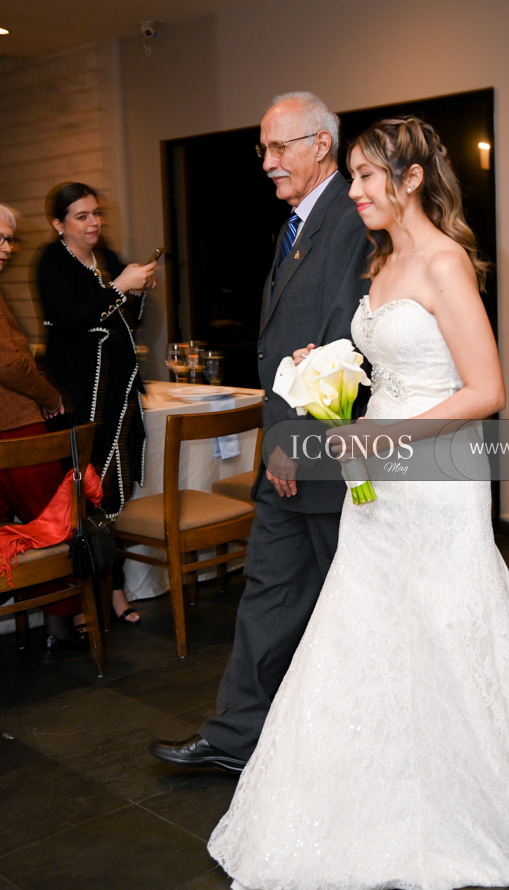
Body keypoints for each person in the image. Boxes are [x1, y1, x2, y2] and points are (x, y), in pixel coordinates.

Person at [206, 118, 509, 890]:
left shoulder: (444, 261)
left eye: (364, 175)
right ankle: (375, 794)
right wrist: (326, 373)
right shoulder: (381, 261)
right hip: (376, 473)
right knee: (370, 623)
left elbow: (485, 390)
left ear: (410, 179)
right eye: (351, 175)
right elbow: (387, 366)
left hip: (433, 474)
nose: (352, 189)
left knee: (447, 622)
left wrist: (382, 436)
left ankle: (474, 800)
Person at [148, 91, 370, 770]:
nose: (268, 162)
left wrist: (295, 441)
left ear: (321, 145)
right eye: (263, 149)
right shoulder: (295, 226)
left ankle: (366, 749)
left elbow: (341, 345)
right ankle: (235, 737)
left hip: (322, 454)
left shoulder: (351, 219)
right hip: (286, 455)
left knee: (356, 607)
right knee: (267, 597)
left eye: (279, 147)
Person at [36, 183, 156, 624]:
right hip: (82, 397)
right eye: (82, 216)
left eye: (96, 213)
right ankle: (83, 599)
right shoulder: (52, 263)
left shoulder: (104, 257)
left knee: (113, 494)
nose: (93, 223)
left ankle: (115, 591)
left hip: (118, 393)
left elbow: (127, 320)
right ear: (59, 224)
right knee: (83, 496)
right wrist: (120, 287)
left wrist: (138, 291)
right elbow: (69, 323)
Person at [0, 203, 82, 660]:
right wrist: (50, 396)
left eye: (10, 239)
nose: (8, 248)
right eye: (0, 238)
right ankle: (61, 627)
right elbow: (9, 364)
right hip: (15, 424)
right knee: (53, 523)